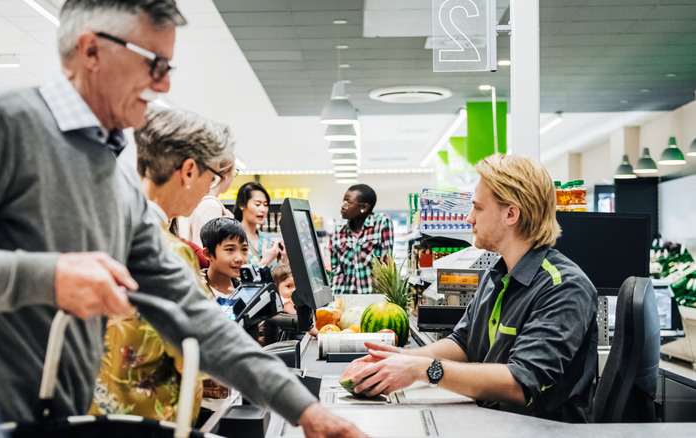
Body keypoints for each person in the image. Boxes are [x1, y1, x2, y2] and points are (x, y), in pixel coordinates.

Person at [0, 1, 364, 436]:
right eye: (155, 64)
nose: (165, 85)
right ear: (91, 50)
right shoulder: (3, 123)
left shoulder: (116, 186)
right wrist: (48, 276)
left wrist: (305, 410)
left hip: (57, 418)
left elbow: (191, 313)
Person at [346, 154, 598, 423]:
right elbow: (463, 342)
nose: (469, 218)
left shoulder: (564, 287)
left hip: (539, 431)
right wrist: (404, 358)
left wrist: (424, 369)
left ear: (511, 214)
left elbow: (520, 382)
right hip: (493, 421)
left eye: (478, 207)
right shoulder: (498, 274)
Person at [89, 106, 232, 422]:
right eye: (212, 177)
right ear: (189, 171)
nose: (210, 188)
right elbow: (202, 353)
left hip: (96, 414)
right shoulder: (170, 251)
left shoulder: (101, 230)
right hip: (150, 420)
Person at [329, 184, 394, 294]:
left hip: (372, 295)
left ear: (364, 207)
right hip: (343, 295)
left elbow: (386, 262)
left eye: (348, 202)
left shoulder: (381, 223)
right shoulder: (338, 232)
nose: (343, 206)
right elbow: (335, 269)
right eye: (343, 202)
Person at [233, 181, 284, 268]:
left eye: (265, 204)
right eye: (257, 204)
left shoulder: (267, 239)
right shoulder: (233, 238)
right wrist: (265, 262)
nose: (263, 209)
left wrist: (284, 259)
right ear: (242, 205)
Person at [186, 166, 237, 247]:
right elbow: (204, 249)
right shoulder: (211, 205)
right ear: (224, 175)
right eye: (234, 172)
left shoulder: (205, 202)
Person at [200, 217, 247, 300]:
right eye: (230, 249)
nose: (239, 258)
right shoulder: (194, 290)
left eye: (244, 249)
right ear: (208, 254)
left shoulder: (248, 291)